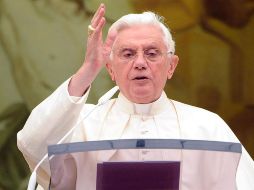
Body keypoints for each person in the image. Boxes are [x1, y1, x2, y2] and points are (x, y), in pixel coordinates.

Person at [17, 4, 254, 190]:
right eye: (128, 54)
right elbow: (33, 145)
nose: (140, 63)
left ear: (171, 66)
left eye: (152, 53)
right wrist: (87, 69)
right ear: (110, 69)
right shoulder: (82, 125)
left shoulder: (208, 127)